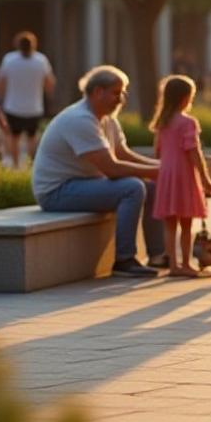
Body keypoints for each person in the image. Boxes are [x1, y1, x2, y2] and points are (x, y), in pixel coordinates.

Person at [31, 65, 162, 278]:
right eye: (116, 93)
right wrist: (158, 171)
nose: (121, 99)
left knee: (152, 187)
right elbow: (111, 168)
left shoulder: (107, 119)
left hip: (81, 185)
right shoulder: (80, 120)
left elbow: (123, 153)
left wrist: (159, 168)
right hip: (56, 192)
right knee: (132, 188)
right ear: (98, 91)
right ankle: (124, 260)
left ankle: (158, 254)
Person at [150, 74, 211, 280]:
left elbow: (157, 151)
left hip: (166, 175)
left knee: (170, 224)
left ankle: (173, 264)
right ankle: (186, 263)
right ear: (184, 98)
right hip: (184, 175)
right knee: (186, 223)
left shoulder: (162, 123)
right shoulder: (188, 122)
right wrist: (205, 178)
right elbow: (193, 152)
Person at [0, 33, 56, 168]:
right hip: (34, 105)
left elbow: (2, 82)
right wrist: (49, 96)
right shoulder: (41, 60)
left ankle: (15, 164)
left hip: (13, 105)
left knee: (14, 137)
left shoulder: (9, 59)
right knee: (32, 137)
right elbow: (50, 83)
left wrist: (2, 97)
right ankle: (31, 164)